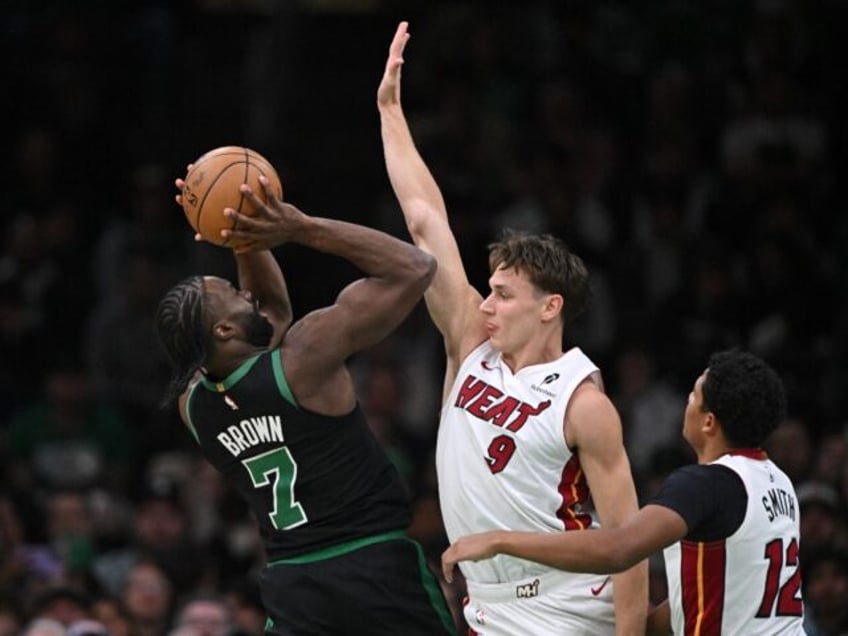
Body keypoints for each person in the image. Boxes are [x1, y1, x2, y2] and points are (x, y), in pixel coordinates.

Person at [377, 21, 647, 635]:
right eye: (488, 291)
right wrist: (390, 111)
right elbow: (425, 221)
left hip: (566, 607)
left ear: (549, 307)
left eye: (502, 294)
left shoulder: (584, 401)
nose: (487, 304)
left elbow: (629, 544)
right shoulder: (471, 342)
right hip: (485, 605)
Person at [155, 175, 455, 635]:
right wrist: (301, 227)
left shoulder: (193, 405)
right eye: (234, 297)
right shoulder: (304, 358)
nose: (246, 293)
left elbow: (270, 313)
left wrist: (241, 233)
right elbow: (414, 268)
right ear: (224, 333)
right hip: (374, 567)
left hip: (294, 585)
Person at [442, 349, 807, 636]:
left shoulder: (704, 484)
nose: (687, 402)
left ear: (709, 421)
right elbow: (714, 598)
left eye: (693, 396)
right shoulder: (778, 483)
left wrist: (500, 540)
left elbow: (619, 549)